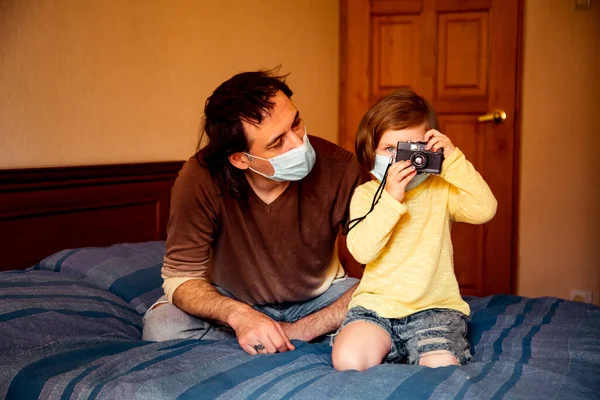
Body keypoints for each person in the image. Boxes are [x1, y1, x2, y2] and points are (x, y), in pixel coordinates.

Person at [142, 69, 365, 355]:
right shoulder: (199, 177)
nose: (299, 143)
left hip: (320, 298)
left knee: (394, 312)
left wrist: (301, 330)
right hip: (231, 300)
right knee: (162, 327)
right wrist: (241, 317)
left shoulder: (341, 167)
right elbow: (181, 277)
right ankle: (275, 343)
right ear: (240, 159)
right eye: (277, 142)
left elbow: (385, 270)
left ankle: (270, 345)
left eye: (296, 124)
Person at [331, 89, 497, 370]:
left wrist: (452, 159)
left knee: (441, 365)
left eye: (412, 148)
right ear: (371, 153)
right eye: (389, 149)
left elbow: (485, 208)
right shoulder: (366, 194)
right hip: (376, 308)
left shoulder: (441, 190)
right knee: (347, 358)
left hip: (434, 309)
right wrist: (391, 199)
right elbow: (361, 250)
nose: (401, 159)